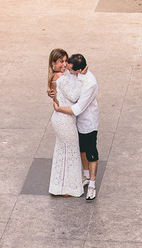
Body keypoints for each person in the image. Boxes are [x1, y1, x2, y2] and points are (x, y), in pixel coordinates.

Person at [52, 53, 99, 201]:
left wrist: (59, 109)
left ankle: (92, 184)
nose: (68, 71)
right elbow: (64, 85)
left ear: (79, 71)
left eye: (71, 70)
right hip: (75, 122)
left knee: (91, 153)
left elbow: (78, 107)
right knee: (82, 150)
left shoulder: (90, 83)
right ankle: (85, 176)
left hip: (87, 123)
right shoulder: (75, 74)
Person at [46, 49, 84, 197]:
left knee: (62, 151)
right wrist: (81, 77)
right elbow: (74, 97)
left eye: (65, 61)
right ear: (53, 63)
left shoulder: (54, 77)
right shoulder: (60, 78)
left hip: (59, 118)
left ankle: (59, 186)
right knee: (72, 151)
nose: (64, 64)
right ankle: (69, 187)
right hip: (64, 120)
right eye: (61, 61)